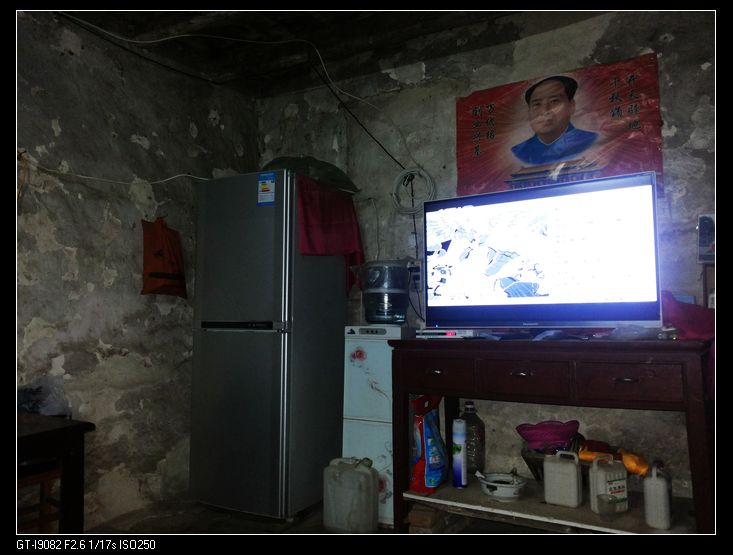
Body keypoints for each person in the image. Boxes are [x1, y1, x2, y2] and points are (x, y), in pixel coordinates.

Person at [511, 75, 598, 166]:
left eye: (554, 101)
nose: (545, 111)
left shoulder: (590, 141)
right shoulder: (519, 151)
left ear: (571, 106)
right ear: (528, 112)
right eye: (537, 104)